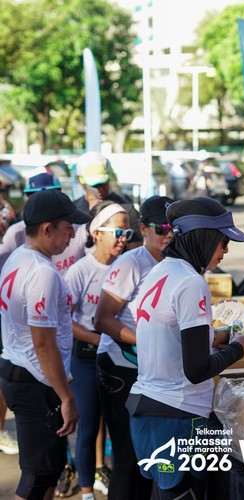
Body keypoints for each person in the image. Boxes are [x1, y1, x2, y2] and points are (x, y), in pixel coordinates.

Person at [127, 196, 244, 499]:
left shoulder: (161, 270)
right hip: (177, 414)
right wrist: (239, 348)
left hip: (150, 406)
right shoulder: (191, 282)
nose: (226, 251)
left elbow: (171, 336)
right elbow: (197, 369)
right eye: (223, 242)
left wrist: (219, 336)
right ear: (204, 237)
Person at [0, 189, 90, 499]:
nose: (73, 235)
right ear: (47, 228)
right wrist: (66, 397)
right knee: (36, 478)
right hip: (35, 379)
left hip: (23, 371)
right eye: (68, 227)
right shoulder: (42, 273)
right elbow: (43, 344)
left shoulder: (19, 257)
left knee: (49, 471)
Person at [93, 196, 173, 500]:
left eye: (174, 228)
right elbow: (101, 319)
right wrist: (148, 340)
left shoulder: (174, 262)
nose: (169, 234)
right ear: (143, 228)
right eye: (162, 228)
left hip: (151, 369)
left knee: (147, 457)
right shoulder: (131, 262)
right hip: (120, 367)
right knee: (128, 457)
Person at [64, 201, 129, 500]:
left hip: (121, 359)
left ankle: (123, 488)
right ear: (97, 233)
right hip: (86, 359)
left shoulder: (128, 265)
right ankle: (87, 492)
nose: (123, 239)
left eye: (127, 233)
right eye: (117, 232)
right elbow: (64, 320)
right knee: (88, 427)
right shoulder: (80, 270)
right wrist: (96, 338)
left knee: (121, 429)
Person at [73, 152, 142, 248]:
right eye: (93, 185)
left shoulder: (126, 209)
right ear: (80, 180)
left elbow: (135, 250)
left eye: (103, 183)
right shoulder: (73, 210)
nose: (99, 189)